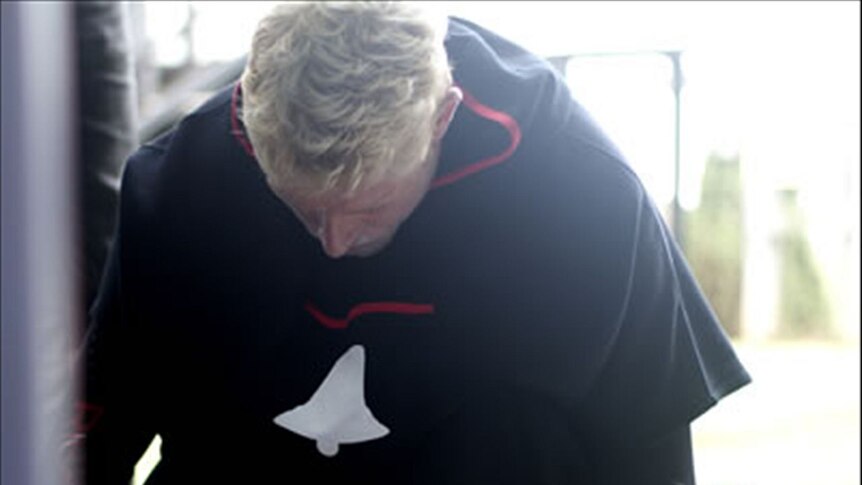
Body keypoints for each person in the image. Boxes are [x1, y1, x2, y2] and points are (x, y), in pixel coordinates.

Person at [81, 2, 751, 484]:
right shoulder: (180, 185)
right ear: (250, 128)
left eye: (368, 208)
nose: (336, 245)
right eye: (303, 211)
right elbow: (94, 438)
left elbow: (647, 449)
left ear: (443, 118)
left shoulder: (578, 189)